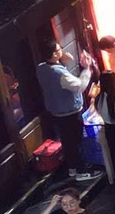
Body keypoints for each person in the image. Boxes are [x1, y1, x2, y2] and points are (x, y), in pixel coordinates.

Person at [37, 41, 95, 172]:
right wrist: (86, 68)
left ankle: (73, 168)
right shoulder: (59, 74)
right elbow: (79, 86)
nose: (62, 50)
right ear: (54, 54)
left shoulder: (41, 67)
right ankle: (81, 171)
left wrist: (61, 60)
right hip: (70, 113)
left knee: (67, 141)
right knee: (75, 141)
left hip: (56, 112)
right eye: (59, 49)